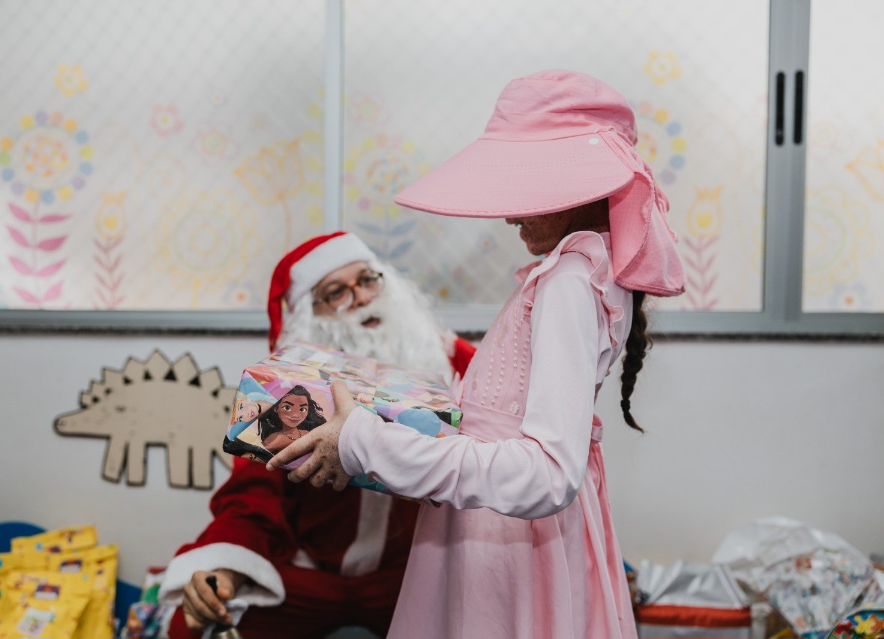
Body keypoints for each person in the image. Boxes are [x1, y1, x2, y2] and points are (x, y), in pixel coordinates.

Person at [268, 69, 686, 639]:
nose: (508, 214)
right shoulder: (582, 270)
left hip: (506, 537)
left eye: (520, 188)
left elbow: (545, 473)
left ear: (570, 182)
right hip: (502, 530)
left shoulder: (569, 281)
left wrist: (366, 442)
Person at [158, 231, 477, 639]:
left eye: (367, 280)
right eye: (336, 292)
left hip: (413, 570)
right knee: (191, 624)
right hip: (311, 572)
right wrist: (224, 569)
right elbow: (254, 496)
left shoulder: (453, 363)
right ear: (311, 316)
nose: (361, 298)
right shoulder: (281, 391)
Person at [256, 385, 327, 453]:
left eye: (302, 409)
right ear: (276, 408)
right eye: (287, 408)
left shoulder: (307, 433)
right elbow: (256, 454)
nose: (295, 415)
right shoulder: (274, 438)